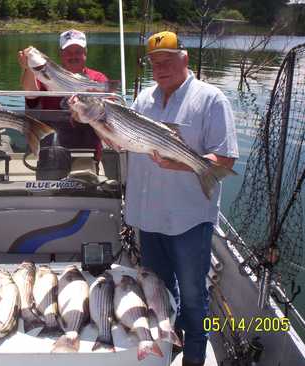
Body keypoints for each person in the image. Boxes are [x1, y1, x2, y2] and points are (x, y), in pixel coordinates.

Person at [126, 31, 239, 366]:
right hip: (148, 218)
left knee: (193, 297)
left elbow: (225, 159)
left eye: (167, 60)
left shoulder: (211, 99)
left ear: (184, 59)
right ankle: (164, 354)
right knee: (158, 294)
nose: (160, 68)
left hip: (189, 219)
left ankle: (193, 359)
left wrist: (184, 164)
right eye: (154, 62)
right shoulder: (143, 100)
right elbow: (125, 140)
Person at [17, 29, 108, 163]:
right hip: (51, 152)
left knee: (86, 181)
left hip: (86, 152)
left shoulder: (97, 79)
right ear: (61, 54)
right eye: (68, 52)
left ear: (85, 53)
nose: (73, 56)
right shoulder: (48, 75)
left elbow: (109, 115)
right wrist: (28, 68)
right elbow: (30, 95)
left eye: (78, 52)